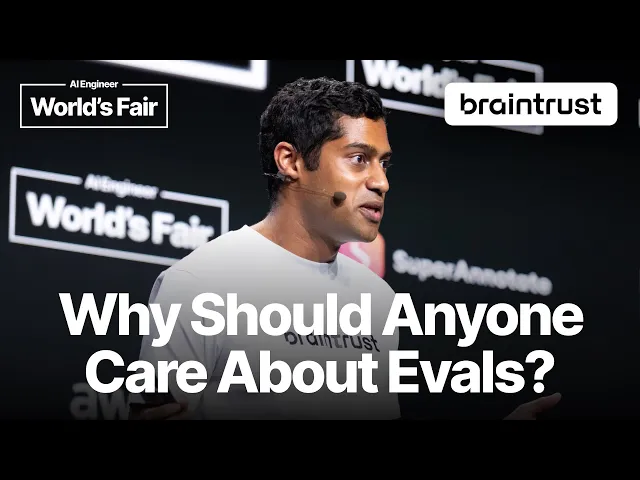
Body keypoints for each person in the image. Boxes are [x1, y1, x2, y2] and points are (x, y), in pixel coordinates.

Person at [129, 77, 561, 420]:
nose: (381, 182)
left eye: (384, 163)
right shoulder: (200, 283)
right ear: (290, 161)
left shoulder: (378, 299)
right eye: (359, 159)